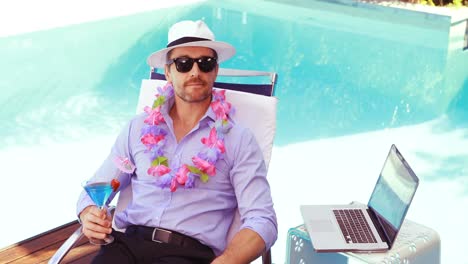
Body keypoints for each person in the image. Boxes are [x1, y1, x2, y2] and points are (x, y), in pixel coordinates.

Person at [77, 20, 277, 264]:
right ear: (168, 72)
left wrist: (227, 261)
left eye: (205, 63)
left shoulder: (239, 140)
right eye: (183, 63)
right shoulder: (137, 128)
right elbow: (96, 187)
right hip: (126, 248)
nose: (195, 72)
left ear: (215, 71)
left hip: (187, 255)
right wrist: (88, 214)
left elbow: (262, 219)